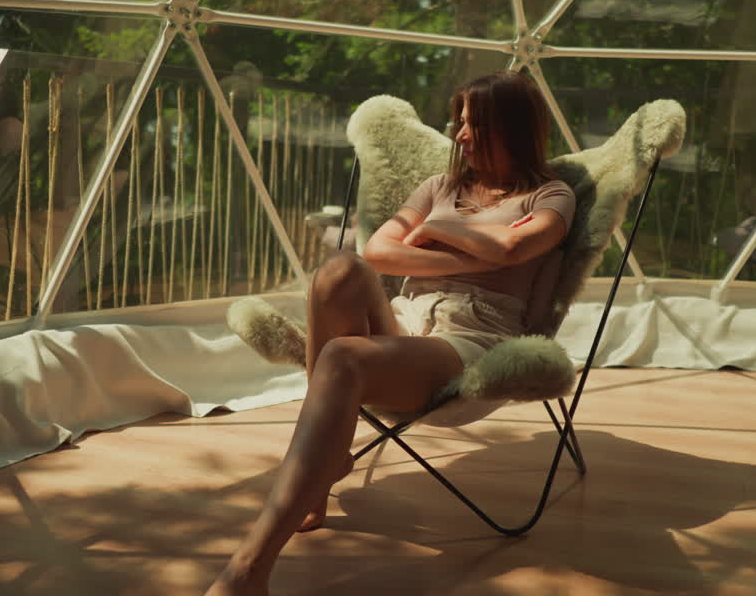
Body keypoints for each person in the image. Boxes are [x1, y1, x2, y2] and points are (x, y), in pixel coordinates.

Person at [206, 71, 576, 596]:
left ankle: (249, 568)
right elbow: (377, 251)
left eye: (476, 125)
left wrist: (437, 231)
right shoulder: (440, 186)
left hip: (470, 337)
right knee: (339, 270)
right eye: (461, 122)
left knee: (341, 358)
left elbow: (514, 252)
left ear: (513, 128)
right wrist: (480, 244)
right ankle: (323, 465)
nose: (461, 136)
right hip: (404, 316)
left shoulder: (550, 196)